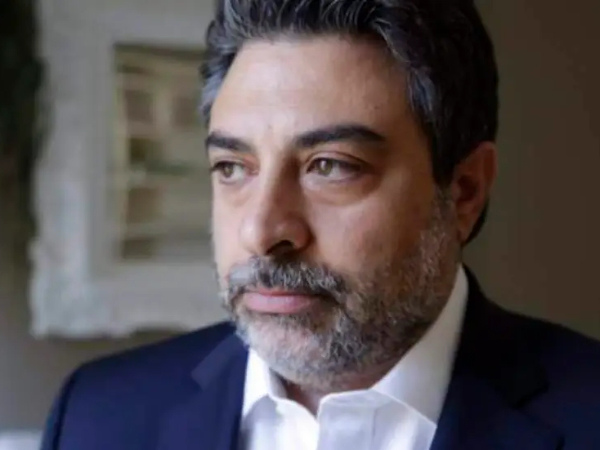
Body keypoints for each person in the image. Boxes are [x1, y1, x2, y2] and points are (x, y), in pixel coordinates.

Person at [41, 0, 600, 449]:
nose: (262, 232)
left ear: (464, 191)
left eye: (329, 166)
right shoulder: (96, 417)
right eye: (232, 167)